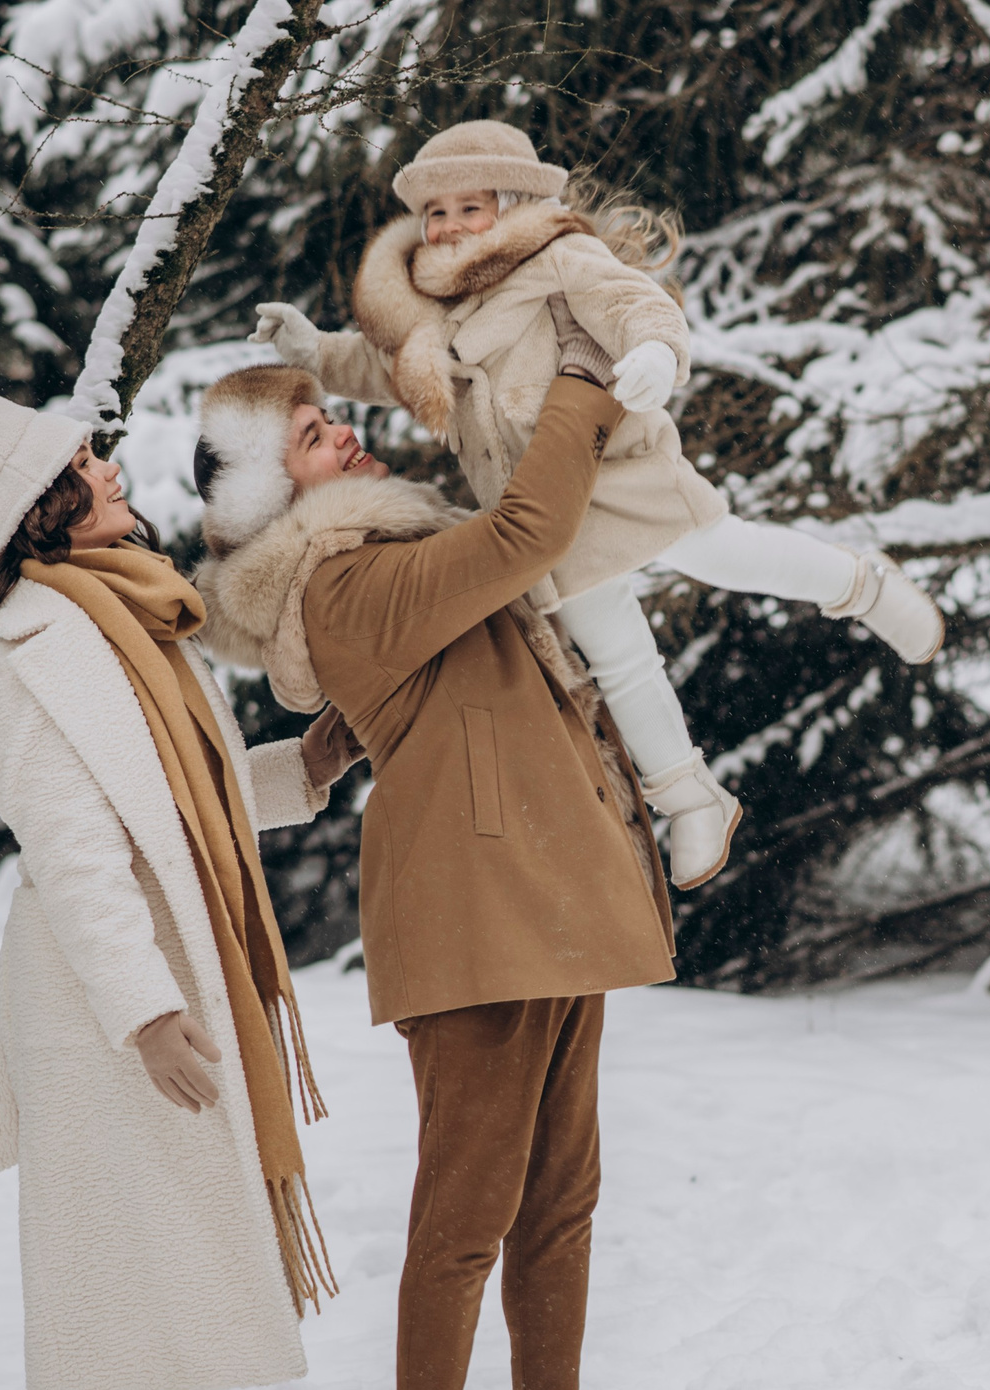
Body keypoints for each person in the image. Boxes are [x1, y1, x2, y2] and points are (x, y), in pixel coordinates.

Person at [191, 315, 678, 1390]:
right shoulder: (344, 584)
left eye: (327, 414)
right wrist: (578, 378)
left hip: (549, 893)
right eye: (309, 435)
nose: (340, 432)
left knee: (560, 1197)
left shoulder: (383, 558)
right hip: (473, 910)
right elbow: (526, 533)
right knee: (464, 1213)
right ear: (266, 487)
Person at [0, 397, 360, 1390]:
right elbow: (75, 855)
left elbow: (183, 804)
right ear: (37, 510)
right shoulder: (37, 654)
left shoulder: (131, 621)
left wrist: (301, 767)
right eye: (78, 463)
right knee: (93, 1261)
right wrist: (144, 1012)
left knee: (138, 1253)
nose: (106, 467)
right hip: (97, 1000)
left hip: (158, 976)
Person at [249, 119, 945, 889]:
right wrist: (315, 350)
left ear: (510, 204)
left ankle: (863, 585)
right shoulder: (433, 308)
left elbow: (635, 305)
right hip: (545, 510)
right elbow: (387, 369)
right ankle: (688, 794)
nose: (448, 227)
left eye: (468, 207)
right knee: (618, 657)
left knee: (732, 553)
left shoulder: (557, 256)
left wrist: (653, 354)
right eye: (435, 213)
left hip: (619, 472)